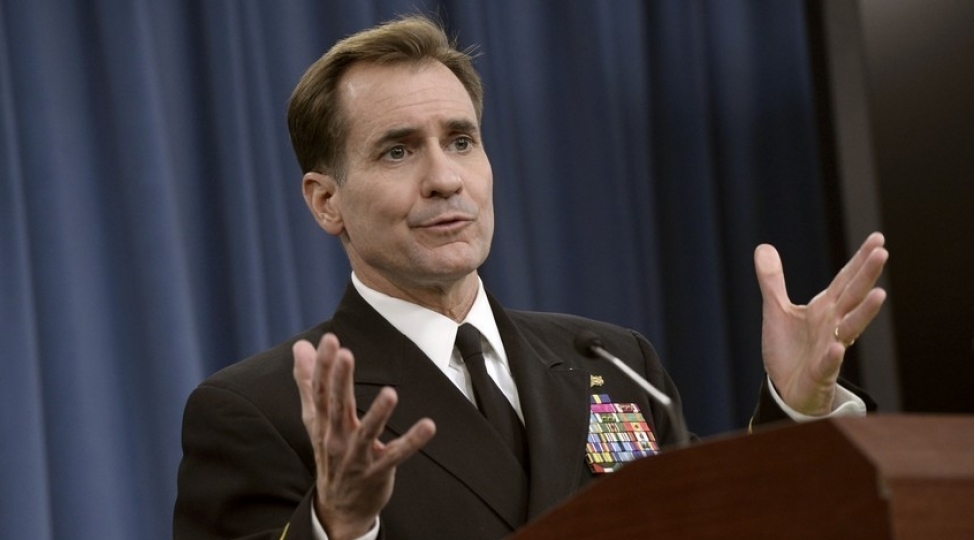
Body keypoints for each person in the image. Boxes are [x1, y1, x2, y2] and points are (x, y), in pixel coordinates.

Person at [173, 14, 888, 540]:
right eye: (398, 151)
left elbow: (725, 525)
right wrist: (337, 525)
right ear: (326, 201)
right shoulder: (260, 410)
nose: (445, 179)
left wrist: (798, 411)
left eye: (461, 141)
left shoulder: (613, 361)